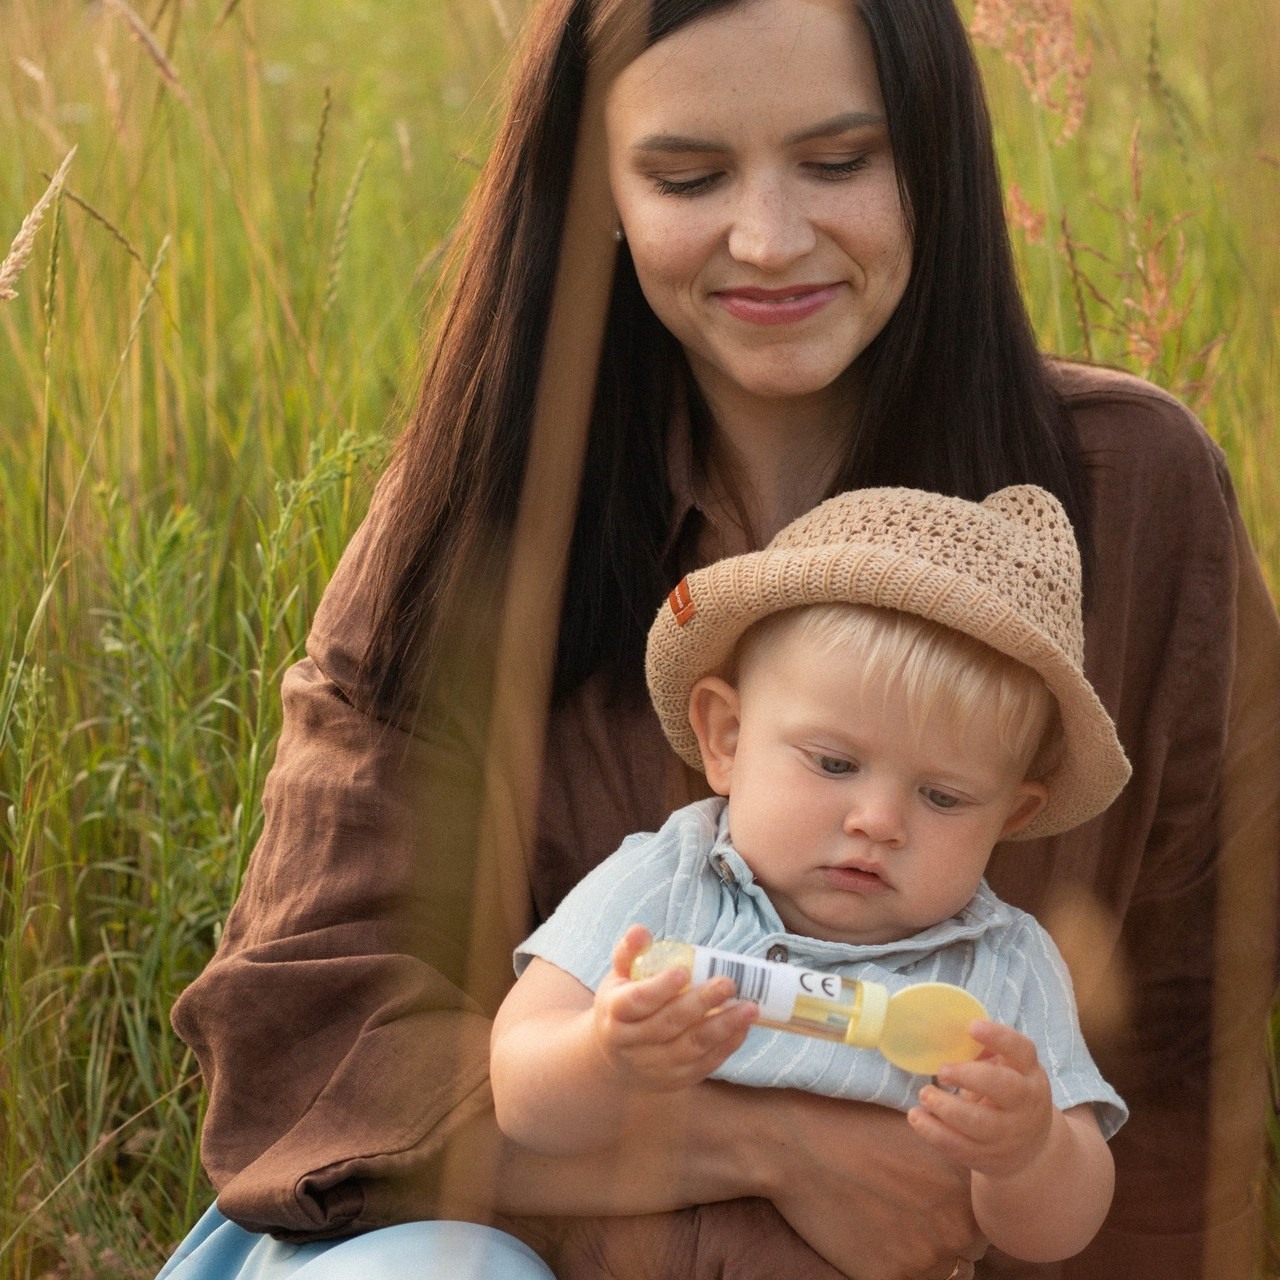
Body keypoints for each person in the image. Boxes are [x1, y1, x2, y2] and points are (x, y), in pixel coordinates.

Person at [158, 0, 1280, 1277]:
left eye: (837, 161)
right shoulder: (475, 507)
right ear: (599, 195)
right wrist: (773, 1145)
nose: (767, 238)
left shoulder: (1131, 492)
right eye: (686, 177)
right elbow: (307, 1028)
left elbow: (1182, 1043)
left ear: (935, 159)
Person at [491, 484, 1130, 1264]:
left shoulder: (999, 967)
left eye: (943, 797)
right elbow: (520, 1100)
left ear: (1009, 817)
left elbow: (1055, 1233)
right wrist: (602, 1055)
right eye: (833, 763)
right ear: (727, 738)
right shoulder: (668, 882)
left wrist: (1028, 1153)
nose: (879, 821)